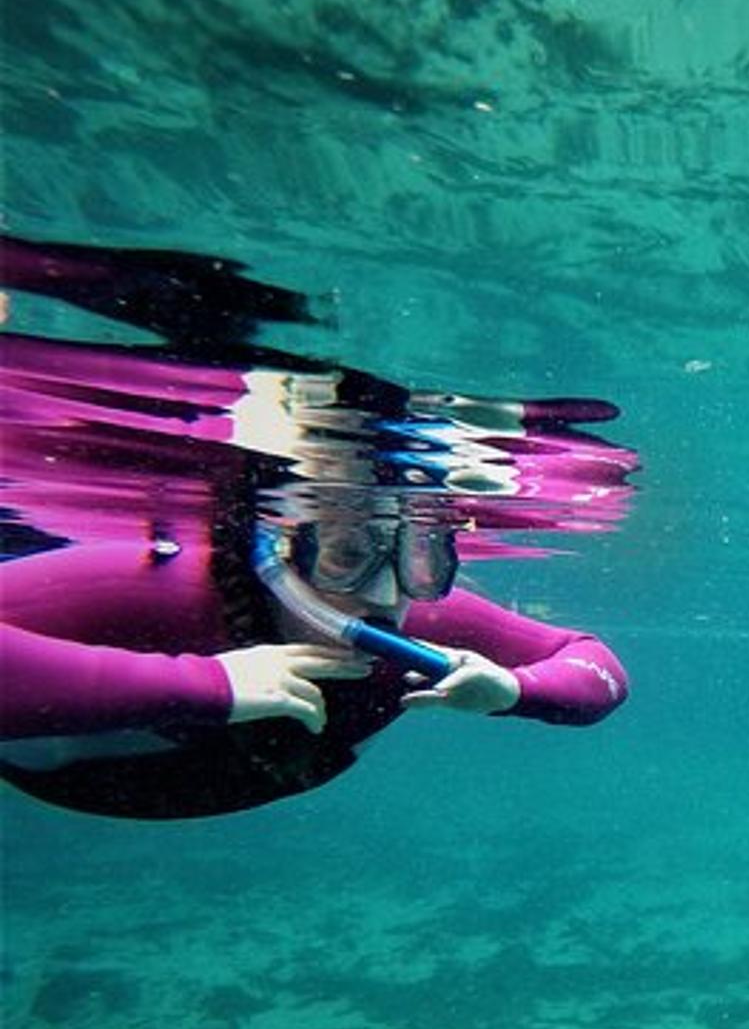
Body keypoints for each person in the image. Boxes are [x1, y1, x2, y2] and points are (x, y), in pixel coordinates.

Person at [0, 235, 633, 818]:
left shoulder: (434, 632)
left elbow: (595, 668)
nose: (388, 595)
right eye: (346, 554)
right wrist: (212, 684)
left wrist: (513, 690)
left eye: (423, 558)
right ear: (275, 546)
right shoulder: (159, 586)